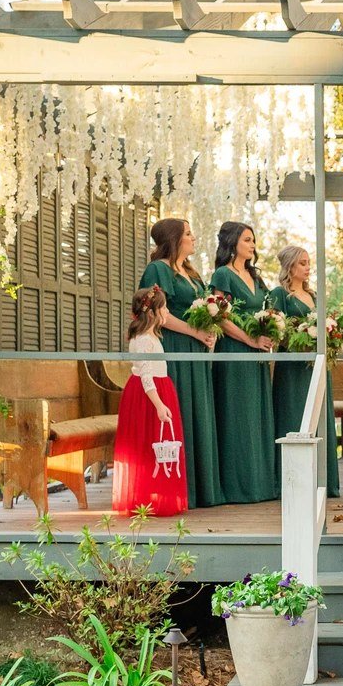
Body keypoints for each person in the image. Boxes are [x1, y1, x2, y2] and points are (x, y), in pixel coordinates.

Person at [139, 218, 223, 509]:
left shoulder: (190, 272)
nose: (193, 237)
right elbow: (157, 313)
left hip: (196, 349)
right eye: (188, 233)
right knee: (182, 409)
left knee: (199, 410)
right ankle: (179, 489)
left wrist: (209, 332)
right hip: (174, 348)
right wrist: (194, 331)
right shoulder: (157, 269)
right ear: (174, 239)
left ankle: (202, 488)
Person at [210, 222, 279, 505]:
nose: (252, 245)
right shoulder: (222, 275)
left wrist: (270, 330)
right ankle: (238, 486)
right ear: (232, 242)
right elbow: (219, 316)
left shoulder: (255, 277)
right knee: (238, 417)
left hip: (257, 357)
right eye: (247, 240)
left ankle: (260, 484)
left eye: (253, 240)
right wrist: (250, 341)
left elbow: (267, 310)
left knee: (257, 414)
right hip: (235, 355)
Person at [112, 286, 189, 517]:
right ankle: (145, 498)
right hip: (149, 395)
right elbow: (146, 375)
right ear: (153, 312)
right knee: (147, 444)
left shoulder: (153, 336)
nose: (167, 311)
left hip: (159, 389)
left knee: (157, 444)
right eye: (163, 307)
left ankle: (154, 495)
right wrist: (159, 405)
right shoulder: (144, 339)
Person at [270, 245, 340, 497]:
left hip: (317, 366)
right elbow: (276, 329)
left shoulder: (314, 295)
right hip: (293, 366)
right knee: (294, 414)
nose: (308, 267)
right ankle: (292, 480)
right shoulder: (279, 294)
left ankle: (322, 479)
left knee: (319, 416)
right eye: (302, 263)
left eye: (308, 262)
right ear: (290, 266)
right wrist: (301, 336)